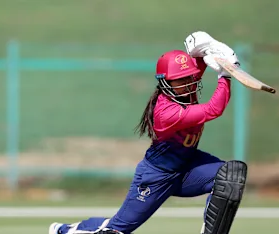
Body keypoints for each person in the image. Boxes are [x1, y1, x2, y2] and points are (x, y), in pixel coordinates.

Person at [49, 31, 248, 234]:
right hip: (157, 176)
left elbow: (197, 63)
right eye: (180, 80)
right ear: (165, 83)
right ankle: (66, 230)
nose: (188, 83)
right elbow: (214, 109)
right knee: (116, 230)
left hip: (188, 168)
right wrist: (224, 75)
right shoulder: (166, 112)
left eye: (189, 77)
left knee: (230, 175)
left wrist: (207, 49)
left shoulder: (183, 87)